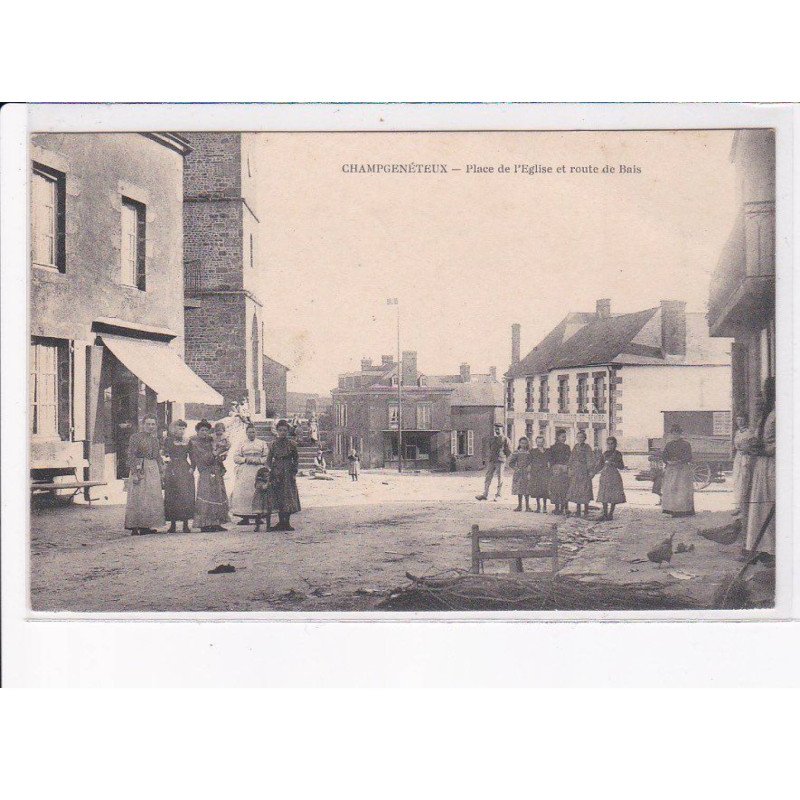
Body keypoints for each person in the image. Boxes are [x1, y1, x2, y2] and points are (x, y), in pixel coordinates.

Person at [744, 378, 775, 560]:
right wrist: (752, 444)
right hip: (762, 466)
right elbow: (759, 438)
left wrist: (765, 450)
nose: (764, 397)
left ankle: (774, 549)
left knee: (770, 504)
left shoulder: (779, 415)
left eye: (766, 393)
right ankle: (764, 547)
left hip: (773, 466)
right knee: (761, 507)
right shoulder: (766, 416)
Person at [124, 414, 165, 536]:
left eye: (153, 424)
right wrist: (134, 472)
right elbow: (131, 454)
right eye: (148, 424)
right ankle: (134, 526)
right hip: (140, 467)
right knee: (138, 496)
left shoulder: (155, 439)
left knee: (150, 497)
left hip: (152, 469)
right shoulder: (135, 437)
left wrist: (162, 469)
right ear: (143, 425)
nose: (151, 426)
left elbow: (157, 456)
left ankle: (146, 526)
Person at [190, 419, 230, 532]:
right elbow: (204, 459)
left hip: (216, 469)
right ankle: (205, 524)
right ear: (197, 431)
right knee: (206, 495)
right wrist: (215, 452)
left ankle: (216, 522)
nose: (204, 433)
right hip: (205, 471)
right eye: (202, 430)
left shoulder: (211, 441)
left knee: (217, 494)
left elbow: (218, 453)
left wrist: (221, 455)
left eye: (206, 430)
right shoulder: (195, 444)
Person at [230, 423, 269, 526]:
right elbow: (236, 457)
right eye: (249, 432)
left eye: (253, 432)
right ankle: (244, 517)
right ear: (246, 433)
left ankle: (258, 516)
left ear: (256, 432)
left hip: (258, 470)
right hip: (245, 470)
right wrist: (245, 459)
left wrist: (259, 460)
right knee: (244, 493)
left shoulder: (262, 443)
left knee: (257, 492)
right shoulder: (242, 443)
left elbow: (267, 456)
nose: (251, 434)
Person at [266, 419, 301, 530]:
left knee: (288, 496)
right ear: (277, 431)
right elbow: (268, 459)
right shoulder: (273, 444)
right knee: (279, 496)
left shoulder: (292, 444)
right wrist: (270, 471)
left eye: (285, 430)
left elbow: (296, 459)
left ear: (288, 431)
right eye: (280, 430)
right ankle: (281, 522)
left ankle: (287, 522)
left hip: (288, 471)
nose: (282, 432)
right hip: (277, 471)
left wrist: (294, 471)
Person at [162, 419, 195, 533]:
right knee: (172, 495)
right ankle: (173, 525)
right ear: (174, 429)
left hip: (185, 468)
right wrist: (167, 464)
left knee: (185, 496)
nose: (181, 431)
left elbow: (192, 455)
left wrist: (192, 467)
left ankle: (185, 524)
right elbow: (165, 453)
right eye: (179, 428)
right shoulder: (169, 440)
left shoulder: (188, 441)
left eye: (183, 428)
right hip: (172, 468)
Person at [661, 424, 695, 517]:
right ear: (671, 434)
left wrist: (679, 461)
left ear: (680, 434)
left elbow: (689, 456)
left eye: (677, 433)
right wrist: (668, 461)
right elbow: (664, 456)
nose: (675, 435)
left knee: (682, 489)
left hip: (682, 470)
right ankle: (671, 510)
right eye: (673, 433)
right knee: (670, 489)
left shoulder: (686, 444)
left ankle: (683, 511)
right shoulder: (669, 445)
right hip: (671, 469)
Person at [476, 423, 511, 501]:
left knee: (500, 477)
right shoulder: (492, 439)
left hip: (500, 461)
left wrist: (503, 457)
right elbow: (490, 449)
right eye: (495, 429)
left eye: (498, 429)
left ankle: (498, 495)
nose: (496, 431)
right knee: (488, 477)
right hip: (492, 460)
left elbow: (509, 451)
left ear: (502, 429)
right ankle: (485, 494)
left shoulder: (505, 439)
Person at [594, 436, 626, 521]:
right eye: (608, 444)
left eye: (612, 444)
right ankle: (605, 513)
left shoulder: (618, 454)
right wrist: (593, 472)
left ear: (615, 444)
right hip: (605, 475)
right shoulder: (605, 454)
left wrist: (613, 463)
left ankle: (611, 514)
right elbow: (600, 465)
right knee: (604, 494)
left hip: (614, 476)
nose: (610, 445)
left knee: (613, 495)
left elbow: (622, 466)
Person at [731, 413, 754, 517]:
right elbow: (736, 445)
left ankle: (743, 507)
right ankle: (737, 506)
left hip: (746, 457)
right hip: (738, 457)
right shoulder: (737, 432)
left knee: (744, 481)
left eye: (742, 420)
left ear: (745, 420)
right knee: (736, 480)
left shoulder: (749, 433)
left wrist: (746, 449)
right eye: (738, 420)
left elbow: (751, 445)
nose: (739, 422)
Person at [567, 429, 594, 517]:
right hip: (576, 471)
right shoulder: (575, 447)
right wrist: (570, 468)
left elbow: (590, 459)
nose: (580, 439)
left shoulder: (587, 447)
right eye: (578, 437)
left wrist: (590, 470)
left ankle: (586, 510)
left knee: (585, 489)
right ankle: (578, 510)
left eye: (582, 437)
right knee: (577, 489)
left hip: (584, 471)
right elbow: (571, 458)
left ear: (585, 438)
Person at [547, 431, 571, 515]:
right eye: (562, 436)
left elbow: (569, 458)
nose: (564, 438)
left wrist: (567, 466)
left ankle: (565, 508)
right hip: (556, 469)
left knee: (565, 488)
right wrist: (554, 468)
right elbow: (550, 459)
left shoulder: (567, 447)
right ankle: (557, 508)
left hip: (564, 469)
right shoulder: (553, 447)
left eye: (565, 437)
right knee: (556, 488)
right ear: (558, 437)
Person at [507, 436, 533, 511]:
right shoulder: (516, 452)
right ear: (519, 443)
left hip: (527, 473)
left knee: (527, 489)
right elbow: (511, 463)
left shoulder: (529, 453)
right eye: (522, 443)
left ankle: (527, 506)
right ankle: (519, 506)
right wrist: (516, 468)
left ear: (527, 444)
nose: (523, 445)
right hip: (519, 473)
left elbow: (532, 461)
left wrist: (530, 467)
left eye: (525, 443)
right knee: (519, 489)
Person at [528, 436, 550, 513]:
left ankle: (544, 507)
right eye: (538, 442)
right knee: (537, 489)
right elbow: (530, 462)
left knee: (544, 489)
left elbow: (550, 461)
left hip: (545, 472)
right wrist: (530, 472)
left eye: (541, 442)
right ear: (536, 442)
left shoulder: (547, 451)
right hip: (536, 472)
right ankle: (538, 507)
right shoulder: (533, 451)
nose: (539, 443)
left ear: (544, 442)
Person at [253, 466, 272, 532]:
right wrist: (268, 482)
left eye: (268, 476)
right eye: (266, 476)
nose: (267, 477)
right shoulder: (259, 482)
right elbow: (264, 488)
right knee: (259, 514)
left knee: (268, 513)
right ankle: (257, 527)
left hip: (266, 499)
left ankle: (268, 527)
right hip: (260, 500)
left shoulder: (264, 481)